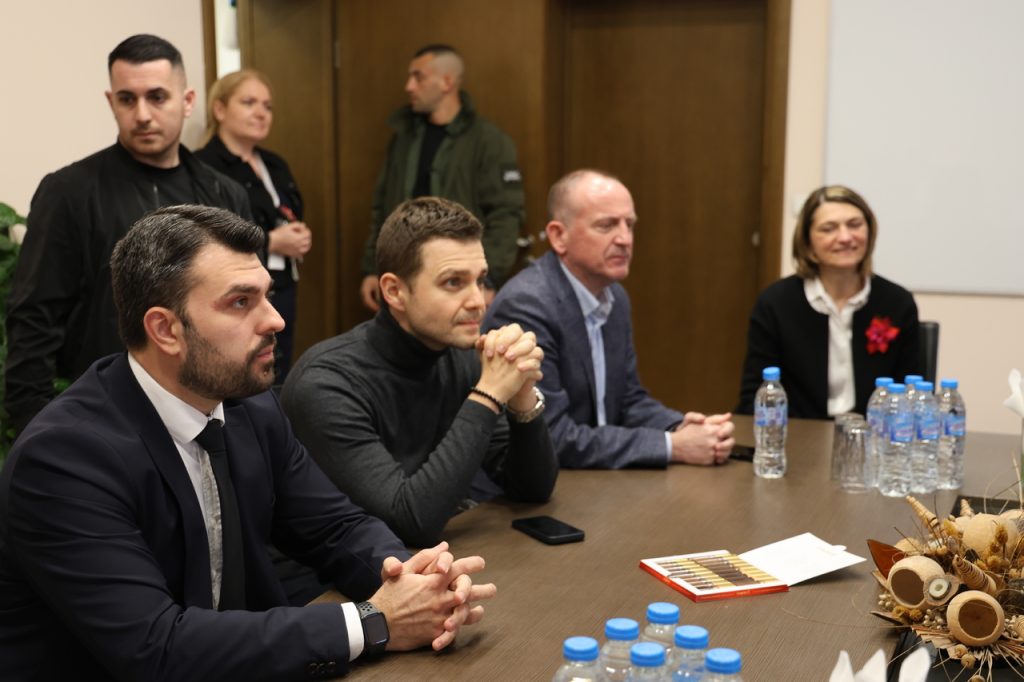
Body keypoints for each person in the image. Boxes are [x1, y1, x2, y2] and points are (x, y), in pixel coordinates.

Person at [0, 205, 495, 680]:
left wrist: (413, 579)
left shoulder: (250, 406)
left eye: (267, 295)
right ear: (165, 329)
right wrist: (372, 621)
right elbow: (155, 648)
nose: (275, 320)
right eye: (241, 302)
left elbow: (334, 527)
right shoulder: (65, 458)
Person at [4, 34, 250, 433]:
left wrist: (248, 410)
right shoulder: (69, 192)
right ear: (111, 102)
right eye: (127, 99)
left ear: (187, 101)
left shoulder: (225, 194)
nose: (142, 114)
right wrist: (33, 426)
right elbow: (34, 315)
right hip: (106, 413)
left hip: (209, 408)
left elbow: (246, 306)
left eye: (157, 97)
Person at [283, 197, 558, 547]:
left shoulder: (459, 354)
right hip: (339, 574)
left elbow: (531, 489)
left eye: (480, 280)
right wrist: (489, 395)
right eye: (453, 282)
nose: (478, 301)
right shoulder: (325, 384)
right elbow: (408, 522)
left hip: (437, 559)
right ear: (394, 291)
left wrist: (521, 395)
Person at [485, 170, 735, 469]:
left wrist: (682, 427)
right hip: (542, 482)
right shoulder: (527, 304)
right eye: (606, 225)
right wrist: (673, 446)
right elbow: (552, 435)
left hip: (598, 475)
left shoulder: (614, 297)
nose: (625, 239)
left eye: (630, 224)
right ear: (558, 236)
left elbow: (628, 400)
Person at [359, 44, 524, 311]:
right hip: (404, 278)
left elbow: (506, 215)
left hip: (456, 281)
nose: (409, 86)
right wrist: (372, 268)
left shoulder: (488, 142)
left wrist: (488, 279)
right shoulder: (404, 138)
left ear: (447, 82)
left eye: (418, 77)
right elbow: (383, 208)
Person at [736, 185, 921, 419]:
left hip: (874, 435)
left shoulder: (897, 302)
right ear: (807, 242)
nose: (845, 237)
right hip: (797, 434)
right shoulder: (775, 303)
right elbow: (755, 397)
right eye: (829, 228)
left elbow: (912, 397)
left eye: (854, 225)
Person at [196, 69, 312, 381]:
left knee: (278, 369)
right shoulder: (203, 166)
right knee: (244, 373)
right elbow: (207, 236)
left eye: (267, 106)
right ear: (220, 109)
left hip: (282, 282)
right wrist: (271, 241)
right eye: (249, 103)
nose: (261, 113)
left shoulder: (275, 163)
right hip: (234, 293)